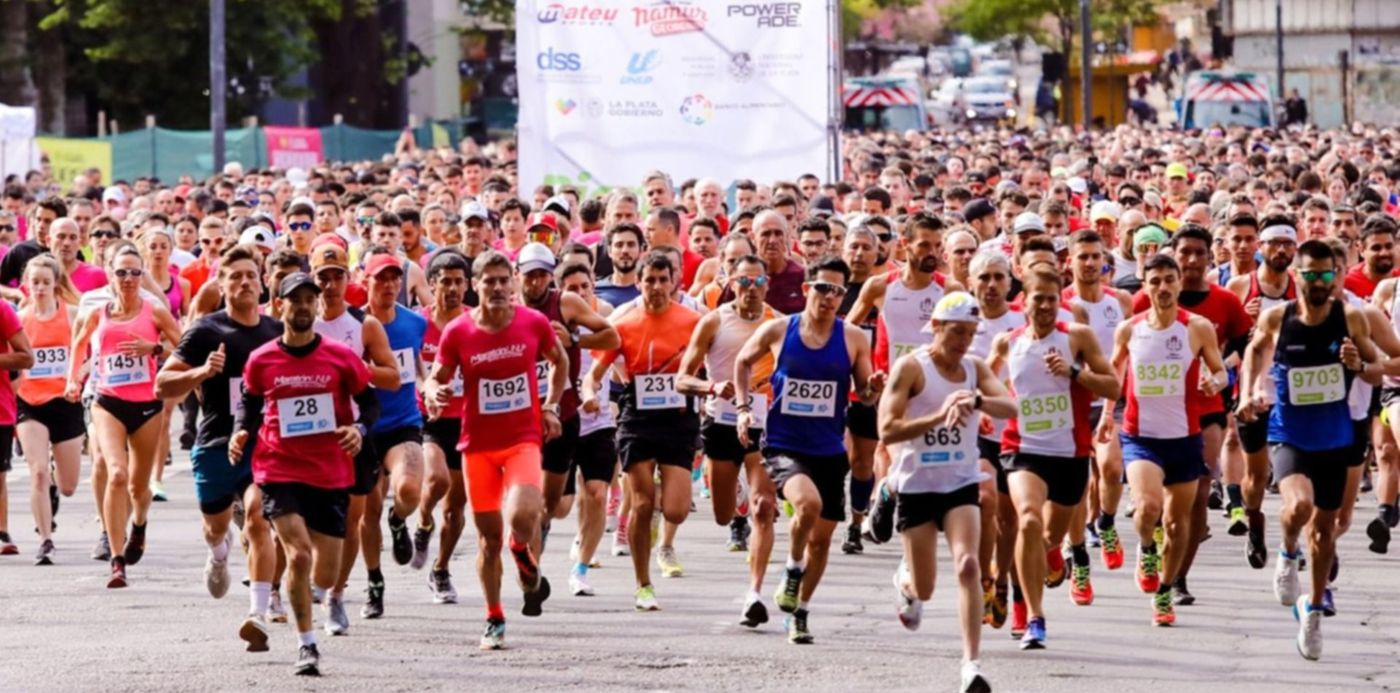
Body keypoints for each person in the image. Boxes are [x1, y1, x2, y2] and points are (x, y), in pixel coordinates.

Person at [230, 271, 378, 676]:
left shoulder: (340, 356)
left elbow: (370, 403)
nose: (302, 307)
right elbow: (249, 404)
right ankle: (306, 645)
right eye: (294, 300)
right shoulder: (262, 360)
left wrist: (358, 429)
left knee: (325, 573)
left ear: (316, 306)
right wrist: (241, 431)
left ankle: (325, 599)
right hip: (278, 466)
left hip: (329, 471)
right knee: (297, 553)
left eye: (309, 300)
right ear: (279, 306)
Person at [1237, 239, 1377, 660]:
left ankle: (1312, 608)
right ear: (1296, 275)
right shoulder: (1276, 317)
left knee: (1324, 533)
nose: (1318, 282)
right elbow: (1255, 350)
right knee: (1299, 507)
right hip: (1290, 433)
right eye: (1310, 274)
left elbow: (1375, 370)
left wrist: (1359, 366)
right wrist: (1247, 393)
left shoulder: (1350, 317)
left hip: (1335, 437)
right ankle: (1285, 551)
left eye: (1326, 274)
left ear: (1335, 276)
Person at [733, 255, 884, 644]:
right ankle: (792, 567)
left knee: (822, 540)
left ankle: (800, 612)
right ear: (806, 290)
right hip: (785, 444)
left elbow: (865, 395)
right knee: (807, 505)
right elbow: (742, 362)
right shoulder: (779, 329)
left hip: (830, 449)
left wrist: (873, 389)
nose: (829, 297)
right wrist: (744, 408)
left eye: (837, 291)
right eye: (822, 288)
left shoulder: (851, 337)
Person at [431, 250, 567, 649]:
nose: (497, 288)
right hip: (477, 448)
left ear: (513, 283)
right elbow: (438, 377)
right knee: (488, 540)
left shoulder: (533, 322)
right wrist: (433, 390)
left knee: (523, 514)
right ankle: (494, 616)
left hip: (522, 439)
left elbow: (558, 361)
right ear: (476, 286)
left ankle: (521, 548)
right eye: (488, 281)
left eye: (503, 280)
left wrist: (551, 405)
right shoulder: (457, 332)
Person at [880, 291, 1012, 693]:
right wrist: (939, 415)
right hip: (918, 485)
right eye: (957, 331)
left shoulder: (973, 368)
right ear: (936, 328)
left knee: (969, 566)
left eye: (971, 333)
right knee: (925, 588)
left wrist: (975, 400)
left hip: (960, 481)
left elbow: (1011, 407)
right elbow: (887, 429)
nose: (964, 341)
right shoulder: (911, 369)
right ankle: (906, 582)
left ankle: (971, 665)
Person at [155, 243, 282, 648]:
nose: (244, 282)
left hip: (263, 444)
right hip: (215, 442)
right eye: (235, 276)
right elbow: (162, 385)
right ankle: (218, 550)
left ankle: (257, 612)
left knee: (260, 520)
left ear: (261, 282)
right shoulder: (207, 330)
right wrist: (200, 371)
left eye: (250, 275)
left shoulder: (276, 332)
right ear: (221, 285)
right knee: (216, 525)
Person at [988, 266, 1120, 647]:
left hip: (1070, 453)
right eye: (1037, 298)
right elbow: (991, 386)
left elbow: (1112, 384)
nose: (1045, 305)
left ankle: (1038, 558)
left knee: (1047, 537)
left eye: (1051, 298)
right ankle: (1034, 617)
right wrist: (985, 411)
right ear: (1024, 301)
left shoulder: (1077, 337)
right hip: (1022, 449)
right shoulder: (1007, 343)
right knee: (1027, 520)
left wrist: (1075, 372)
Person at [581, 251, 702, 611]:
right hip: (638, 417)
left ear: (675, 282)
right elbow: (595, 373)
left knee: (677, 511)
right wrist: (589, 396)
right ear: (639, 283)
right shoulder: (625, 323)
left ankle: (658, 507)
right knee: (643, 502)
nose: (657, 287)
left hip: (679, 417)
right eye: (650, 280)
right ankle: (643, 584)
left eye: (664, 280)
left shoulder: (694, 321)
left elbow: (711, 365)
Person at [1111, 254, 1227, 626]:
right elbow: (1113, 378)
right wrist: (1101, 420)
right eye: (1155, 280)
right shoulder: (1129, 330)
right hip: (1140, 437)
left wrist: (1215, 381)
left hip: (1184, 438)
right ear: (1144, 285)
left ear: (1179, 284)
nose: (1162, 287)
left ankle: (1165, 591)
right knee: (1147, 508)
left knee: (1178, 526)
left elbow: (1221, 370)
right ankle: (1146, 548)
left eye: (1169, 280)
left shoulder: (1197, 327)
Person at [844, 213, 964, 551]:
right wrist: (861, 375)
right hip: (892, 386)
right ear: (905, 245)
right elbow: (848, 332)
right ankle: (888, 497)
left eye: (938, 246)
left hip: (934, 386)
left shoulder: (950, 289)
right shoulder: (881, 286)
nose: (933, 252)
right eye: (924, 244)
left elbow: (968, 338)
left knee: (922, 458)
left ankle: (887, 493)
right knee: (891, 449)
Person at [66, 244, 181, 587]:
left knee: (138, 485)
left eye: (134, 272)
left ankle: (140, 523)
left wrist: (155, 349)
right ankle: (117, 560)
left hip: (146, 404)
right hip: (108, 400)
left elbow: (183, 346)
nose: (128, 278)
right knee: (116, 473)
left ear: (142, 274)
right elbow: (78, 344)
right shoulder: (96, 312)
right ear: (110, 275)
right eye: (121, 272)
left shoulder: (155, 311)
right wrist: (73, 379)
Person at [678, 253, 780, 623]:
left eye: (757, 282)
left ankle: (754, 593)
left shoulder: (779, 325)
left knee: (764, 507)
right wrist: (711, 386)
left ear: (767, 284)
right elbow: (681, 379)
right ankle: (735, 502)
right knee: (723, 516)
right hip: (720, 422)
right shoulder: (713, 321)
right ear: (730, 283)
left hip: (762, 423)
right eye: (743, 281)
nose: (750, 289)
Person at [309, 242, 400, 632]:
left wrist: (356, 368)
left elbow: (393, 377)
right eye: (322, 278)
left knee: (352, 522)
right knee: (305, 518)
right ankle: (297, 582)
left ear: (349, 279)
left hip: (354, 436)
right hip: (308, 437)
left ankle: (336, 595)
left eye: (337, 277)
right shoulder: (298, 323)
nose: (330, 285)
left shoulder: (364, 325)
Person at [514, 242, 618, 551]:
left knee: (553, 505)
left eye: (543, 275)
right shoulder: (507, 309)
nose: (536, 282)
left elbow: (611, 337)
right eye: (530, 275)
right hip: (519, 417)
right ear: (517, 275)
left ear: (551, 276)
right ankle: (530, 580)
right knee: (527, 501)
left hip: (562, 414)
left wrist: (573, 338)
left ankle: (539, 527)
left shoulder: (566, 303)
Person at [1226, 217, 1297, 569]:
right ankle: (1255, 521)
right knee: (1256, 475)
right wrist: (1244, 320)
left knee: (1294, 473)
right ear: (1261, 247)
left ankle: (1295, 538)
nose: (1281, 249)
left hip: (1293, 395)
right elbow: (1224, 341)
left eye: (1287, 243)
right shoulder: (1241, 286)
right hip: (1252, 393)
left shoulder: (1302, 288)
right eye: (1274, 242)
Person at [16, 256, 80, 565]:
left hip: (66, 401)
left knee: (67, 487)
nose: (39, 288)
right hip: (29, 403)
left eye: (45, 281)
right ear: (26, 284)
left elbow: (90, 353)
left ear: (56, 283)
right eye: (34, 282)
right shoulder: (20, 318)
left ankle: (56, 483)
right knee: (37, 472)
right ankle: (45, 540)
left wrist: (78, 377)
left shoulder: (72, 315)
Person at [417, 249, 470, 602]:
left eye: (458, 282)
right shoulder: (418, 324)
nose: (451, 288)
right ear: (432, 284)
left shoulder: (475, 321)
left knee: (455, 508)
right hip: (430, 418)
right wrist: (428, 390)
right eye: (444, 282)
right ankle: (422, 522)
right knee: (437, 479)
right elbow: (411, 370)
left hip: (468, 421)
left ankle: (441, 569)